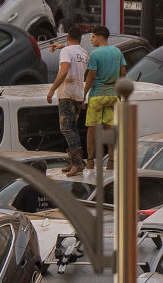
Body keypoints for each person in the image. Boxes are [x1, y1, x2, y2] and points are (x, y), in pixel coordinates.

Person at [47, 27, 89, 176]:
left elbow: (64, 70)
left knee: (66, 128)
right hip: (78, 94)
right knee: (72, 128)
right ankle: (77, 162)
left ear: (67, 38)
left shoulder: (67, 52)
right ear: (80, 39)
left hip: (67, 93)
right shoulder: (84, 53)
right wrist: (62, 46)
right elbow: (73, 52)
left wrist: (52, 89)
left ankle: (76, 164)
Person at [82, 26, 126, 169]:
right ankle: (111, 161)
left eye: (93, 37)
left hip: (97, 95)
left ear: (100, 37)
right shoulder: (117, 52)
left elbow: (91, 76)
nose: (92, 40)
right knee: (110, 128)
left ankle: (90, 160)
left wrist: (83, 94)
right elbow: (123, 74)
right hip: (113, 95)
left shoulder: (95, 54)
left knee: (92, 129)